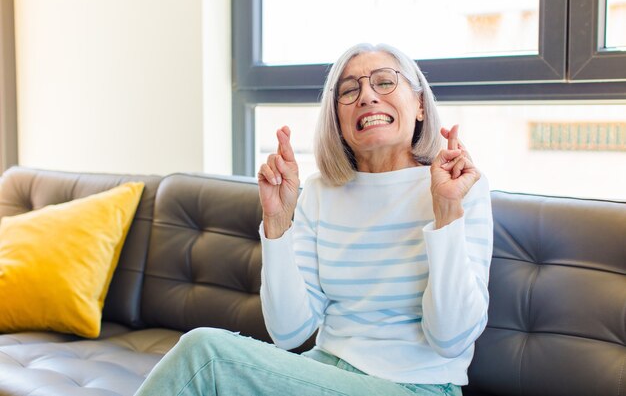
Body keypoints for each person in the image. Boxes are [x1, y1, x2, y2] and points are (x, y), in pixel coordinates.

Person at [134, 43, 493, 396]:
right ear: (338, 120)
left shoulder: (459, 188)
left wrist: (446, 212)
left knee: (206, 356)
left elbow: (450, 337)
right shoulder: (322, 192)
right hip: (321, 370)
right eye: (349, 90)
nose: (367, 96)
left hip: (416, 386)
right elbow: (288, 332)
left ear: (419, 105)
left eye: (384, 82)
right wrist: (277, 222)